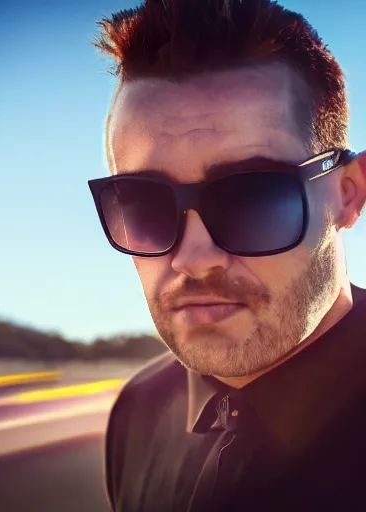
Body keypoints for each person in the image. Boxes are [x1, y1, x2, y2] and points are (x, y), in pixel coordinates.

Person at [87, 0, 366, 510]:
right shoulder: (137, 413)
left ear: (348, 195)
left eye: (253, 197)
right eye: (145, 204)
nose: (194, 259)